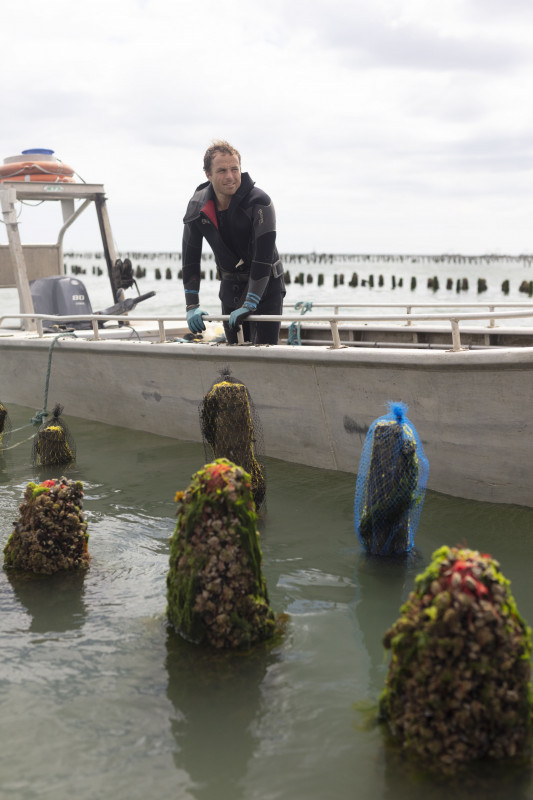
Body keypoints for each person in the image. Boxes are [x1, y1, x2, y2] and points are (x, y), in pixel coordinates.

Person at [182, 140, 285, 345]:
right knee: (234, 356)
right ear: (208, 175)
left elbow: (263, 257)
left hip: (265, 286)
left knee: (265, 352)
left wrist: (251, 302)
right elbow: (190, 257)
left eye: (234, 169)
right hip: (230, 287)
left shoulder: (260, 202)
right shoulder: (197, 206)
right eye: (221, 170)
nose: (230, 176)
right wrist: (191, 305)